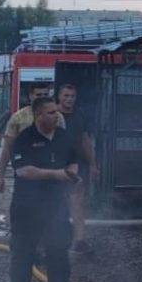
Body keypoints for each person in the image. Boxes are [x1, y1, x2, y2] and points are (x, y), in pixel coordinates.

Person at [6, 94, 80, 282]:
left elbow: (73, 162)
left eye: (56, 111)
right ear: (38, 115)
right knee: (23, 253)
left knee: (58, 252)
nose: (56, 116)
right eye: (50, 112)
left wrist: (73, 175)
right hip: (26, 207)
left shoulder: (65, 137)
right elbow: (23, 171)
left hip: (56, 207)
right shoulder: (24, 139)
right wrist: (58, 175)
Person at [0, 86, 65, 196]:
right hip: (26, 171)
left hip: (52, 173)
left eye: (45, 95)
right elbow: (8, 147)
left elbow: (64, 145)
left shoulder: (57, 117)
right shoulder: (19, 117)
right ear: (30, 96)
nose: (42, 98)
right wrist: (0, 176)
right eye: (38, 95)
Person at [55, 83, 97, 253]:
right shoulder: (53, 115)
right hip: (56, 164)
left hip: (78, 164)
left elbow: (85, 140)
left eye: (72, 96)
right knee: (54, 202)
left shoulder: (79, 115)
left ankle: (79, 241)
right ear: (59, 96)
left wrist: (93, 164)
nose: (69, 99)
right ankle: (52, 240)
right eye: (66, 96)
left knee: (78, 202)